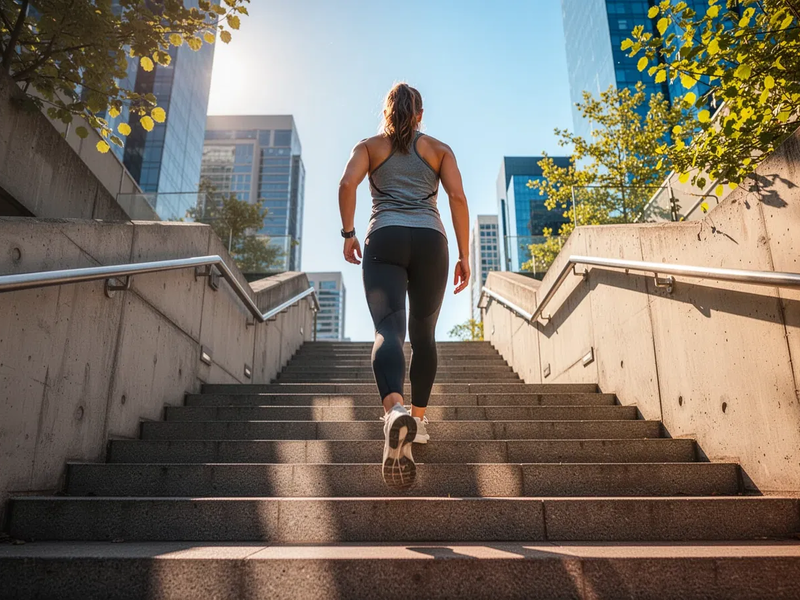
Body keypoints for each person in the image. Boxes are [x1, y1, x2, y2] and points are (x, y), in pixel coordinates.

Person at [338, 82, 471, 489]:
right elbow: (458, 198)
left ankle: (393, 410)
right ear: (420, 114)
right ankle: (418, 420)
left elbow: (346, 185)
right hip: (431, 242)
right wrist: (464, 255)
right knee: (424, 335)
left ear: (387, 111)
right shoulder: (439, 149)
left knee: (388, 329)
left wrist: (348, 233)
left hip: (385, 239)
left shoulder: (369, 147)